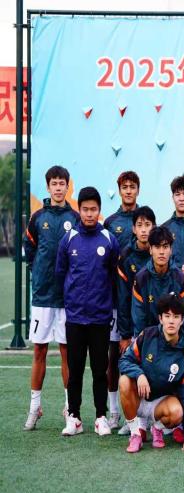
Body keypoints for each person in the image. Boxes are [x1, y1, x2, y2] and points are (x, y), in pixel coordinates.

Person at [55, 187, 120, 436]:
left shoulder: (109, 239)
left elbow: (114, 275)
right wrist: (71, 302)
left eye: (93, 209)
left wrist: (105, 303)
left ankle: (101, 417)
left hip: (100, 318)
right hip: (75, 317)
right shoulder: (69, 239)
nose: (89, 214)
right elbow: (61, 273)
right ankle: (74, 418)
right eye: (85, 209)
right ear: (79, 210)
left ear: (99, 210)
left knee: (100, 371)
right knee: (75, 371)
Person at [23, 165, 80, 430]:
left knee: (67, 353)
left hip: (67, 298)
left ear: (68, 187)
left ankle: (70, 408)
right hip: (43, 297)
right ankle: (35, 407)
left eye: (62, 183)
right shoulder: (38, 218)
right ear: (48, 187)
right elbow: (30, 248)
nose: (58, 188)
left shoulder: (75, 218)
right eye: (54, 183)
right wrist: (38, 271)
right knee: (40, 351)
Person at [118, 294, 184, 453]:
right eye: (167, 316)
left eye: (176, 317)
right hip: (139, 398)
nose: (171, 321)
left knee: (177, 412)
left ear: (182, 320)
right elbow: (124, 361)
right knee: (124, 381)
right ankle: (135, 434)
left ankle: (157, 428)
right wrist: (139, 374)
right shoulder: (147, 336)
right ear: (160, 319)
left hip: (160, 404)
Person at [104, 171, 141, 429]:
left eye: (132, 187)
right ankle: (114, 411)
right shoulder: (111, 222)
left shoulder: (145, 219)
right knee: (113, 356)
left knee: (138, 356)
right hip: (116, 301)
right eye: (125, 187)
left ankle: (137, 414)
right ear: (119, 191)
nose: (128, 191)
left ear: (138, 190)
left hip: (141, 303)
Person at [113, 206, 155, 429]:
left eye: (148, 225)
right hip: (134, 324)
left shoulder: (160, 250)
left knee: (155, 369)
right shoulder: (126, 256)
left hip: (157, 325)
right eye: (140, 225)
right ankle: (132, 419)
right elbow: (122, 297)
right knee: (130, 370)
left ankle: (155, 420)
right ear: (133, 229)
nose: (144, 230)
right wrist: (125, 333)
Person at [132, 226, 184, 337]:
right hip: (149, 339)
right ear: (150, 250)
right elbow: (139, 319)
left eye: (165, 247)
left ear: (171, 250)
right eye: (157, 247)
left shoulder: (179, 278)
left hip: (174, 339)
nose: (161, 252)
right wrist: (144, 342)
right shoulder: (141, 278)